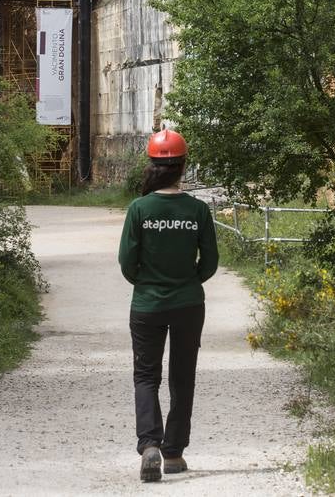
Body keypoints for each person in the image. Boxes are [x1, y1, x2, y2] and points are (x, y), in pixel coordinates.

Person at [118, 129, 218, 483]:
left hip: (147, 305)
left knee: (146, 376)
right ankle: (174, 452)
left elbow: (127, 262)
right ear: (183, 166)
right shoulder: (197, 210)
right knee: (182, 376)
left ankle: (149, 446)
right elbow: (210, 263)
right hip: (189, 303)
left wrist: (147, 284)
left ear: (152, 164)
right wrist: (187, 281)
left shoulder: (139, 209)